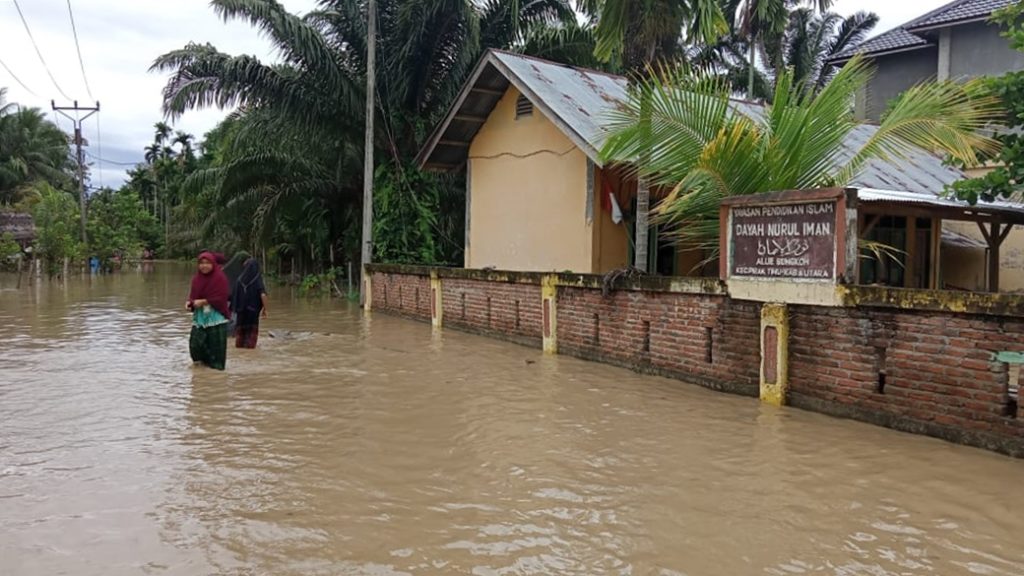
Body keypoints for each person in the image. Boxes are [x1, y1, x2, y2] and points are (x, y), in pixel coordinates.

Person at [187, 251, 231, 370]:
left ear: (213, 264)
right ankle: (201, 371)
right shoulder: (196, 279)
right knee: (195, 345)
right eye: (201, 263)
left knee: (216, 348)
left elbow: (222, 297)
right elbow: (193, 296)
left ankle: (215, 373)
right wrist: (189, 303)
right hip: (200, 317)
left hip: (216, 317)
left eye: (207, 263)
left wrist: (204, 301)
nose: (204, 266)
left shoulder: (220, 278)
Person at [232, 258, 268, 348]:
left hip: (241, 312)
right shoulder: (257, 279)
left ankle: (240, 351)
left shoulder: (239, 280)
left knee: (240, 334)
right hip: (253, 312)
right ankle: (250, 350)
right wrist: (265, 309)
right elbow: (263, 295)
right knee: (251, 334)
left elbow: (234, 296)